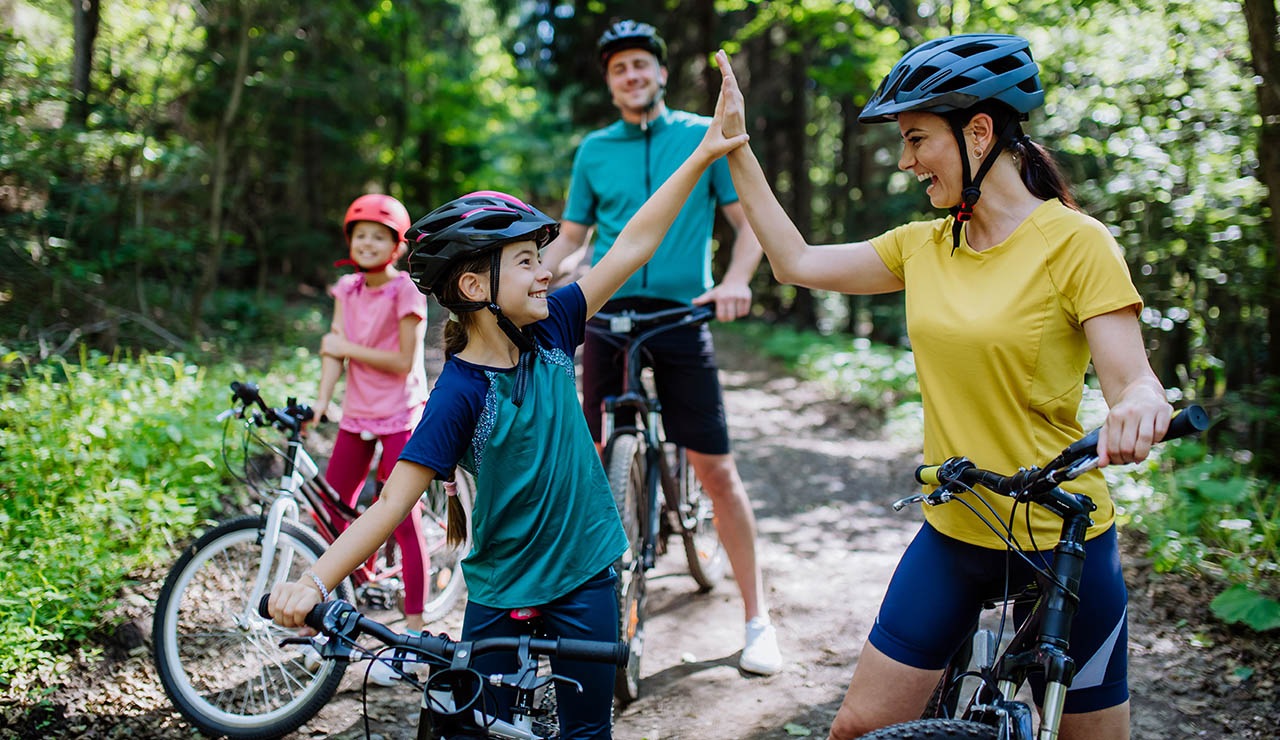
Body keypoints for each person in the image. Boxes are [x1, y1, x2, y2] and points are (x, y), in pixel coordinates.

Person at [708, 36, 1172, 739]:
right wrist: (737, 146)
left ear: (979, 132)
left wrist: (1140, 407)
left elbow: (1133, 380)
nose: (905, 160)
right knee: (854, 731)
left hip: (1063, 538)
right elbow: (794, 259)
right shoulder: (922, 246)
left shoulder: (1078, 245)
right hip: (958, 526)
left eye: (917, 138)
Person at [267, 117, 750, 738]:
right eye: (526, 261)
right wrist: (312, 580)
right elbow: (391, 503)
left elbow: (632, 243)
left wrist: (705, 153)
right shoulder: (458, 394)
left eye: (541, 258)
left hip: (587, 574)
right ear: (474, 286)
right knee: (473, 729)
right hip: (500, 590)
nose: (545, 272)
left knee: (585, 732)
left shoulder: (553, 327)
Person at [539, 19, 781, 676]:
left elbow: (748, 225)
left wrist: (734, 281)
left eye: (642, 65)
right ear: (609, 81)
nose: (632, 76)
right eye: (620, 68)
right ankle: (586, 597)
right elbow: (572, 236)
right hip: (606, 311)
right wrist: (537, 275)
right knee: (591, 454)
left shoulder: (699, 135)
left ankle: (757, 619)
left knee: (717, 471)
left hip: (681, 314)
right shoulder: (594, 148)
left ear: (661, 73)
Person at [312, 195, 434, 663]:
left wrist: (345, 347)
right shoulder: (347, 289)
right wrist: (322, 403)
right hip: (357, 413)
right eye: (359, 235)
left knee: (402, 519)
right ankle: (328, 613)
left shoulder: (405, 290)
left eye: (378, 236)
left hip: (401, 413)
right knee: (331, 511)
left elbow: (403, 361)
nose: (366, 242)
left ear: (396, 246)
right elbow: (332, 350)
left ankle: (417, 629)